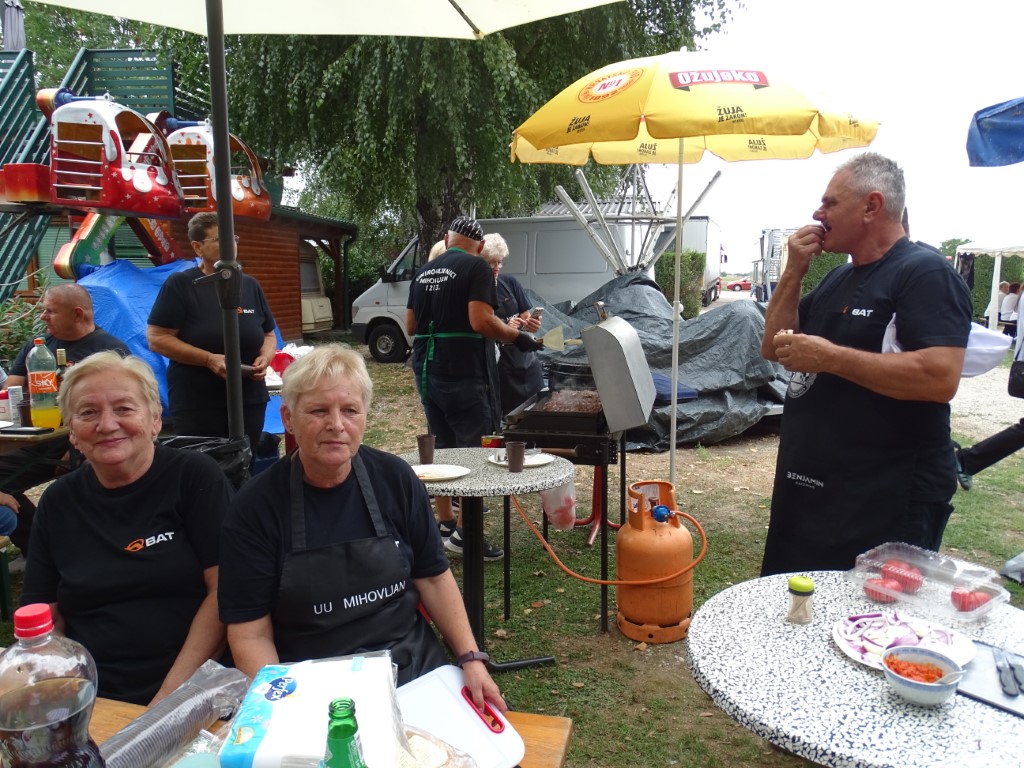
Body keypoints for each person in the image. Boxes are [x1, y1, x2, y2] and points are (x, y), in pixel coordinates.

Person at [217, 344, 506, 711]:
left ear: (365, 416)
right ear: (288, 419)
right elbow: (250, 633)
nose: (336, 425)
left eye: (350, 410)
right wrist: (285, 708)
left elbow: (434, 578)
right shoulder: (254, 508)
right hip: (311, 689)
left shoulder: (396, 479)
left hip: (411, 672)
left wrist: (470, 658)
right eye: (318, 410)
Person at [760, 153, 973, 576]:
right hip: (813, 484)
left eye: (830, 203)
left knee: (870, 610)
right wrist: (793, 272)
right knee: (798, 600)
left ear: (872, 206)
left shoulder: (925, 273)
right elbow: (773, 346)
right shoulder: (838, 277)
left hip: (885, 492)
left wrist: (830, 357)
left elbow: (940, 377)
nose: (818, 214)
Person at [20, 351, 230, 705]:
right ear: (72, 432)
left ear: (155, 419)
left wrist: (168, 699)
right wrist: (67, 694)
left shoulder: (194, 477)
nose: (106, 424)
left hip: (191, 687)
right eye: (88, 412)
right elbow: (44, 616)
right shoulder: (58, 502)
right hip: (88, 692)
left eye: (124, 408)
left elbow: (225, 591)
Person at [405, 216, 542, 560]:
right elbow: (481, 321)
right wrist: (518, 337)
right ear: (480, 245)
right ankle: (466, 536)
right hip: (463, 371)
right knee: (474, 452)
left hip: (428, 370)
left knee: (442, 448)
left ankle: (446, 523)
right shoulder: (476, 267)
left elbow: (410, 325)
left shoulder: (424, 272)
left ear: (446, 238)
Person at [0, 283, 130, 554]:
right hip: (35, 439)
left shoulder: (109, 351)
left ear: (77, 314)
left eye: (50, 311)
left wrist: (78, 446)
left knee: (94, 478)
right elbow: (10, 392)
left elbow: (119, 408)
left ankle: (98, 551)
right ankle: (39, 546)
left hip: (86, 440)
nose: (43, 316)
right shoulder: (37, 347)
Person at [147, 212, 277, 458]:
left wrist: (266, 357)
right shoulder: (181, 284)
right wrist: (208, 359)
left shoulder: (249, 285)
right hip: (198, 402)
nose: (231, 244)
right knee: (204, 470)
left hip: (249, 399)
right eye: (219, 239)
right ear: (197, 247)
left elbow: (269, 334)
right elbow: (157, 338)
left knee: (245, 464)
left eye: (233, 238)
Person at [481, 233, 544, 416]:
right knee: (507, 417)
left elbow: (526, 316)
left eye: (499, 262)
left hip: (527, 361)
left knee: (536, 411)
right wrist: (505, 326)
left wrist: (532, 324)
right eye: (491, 263)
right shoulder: (478, 290)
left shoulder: (509, 282)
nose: (496, 268)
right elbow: (482, 324)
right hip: (501, 365)